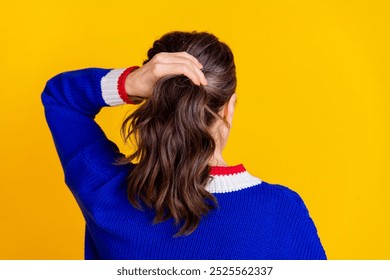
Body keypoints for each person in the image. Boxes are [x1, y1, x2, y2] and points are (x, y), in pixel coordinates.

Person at [41, 31, 327, 260]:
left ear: (152, 101)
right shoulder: (279, 212)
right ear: (229, 108)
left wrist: (132, 82)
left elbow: (61, 99)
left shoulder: (107, 193)